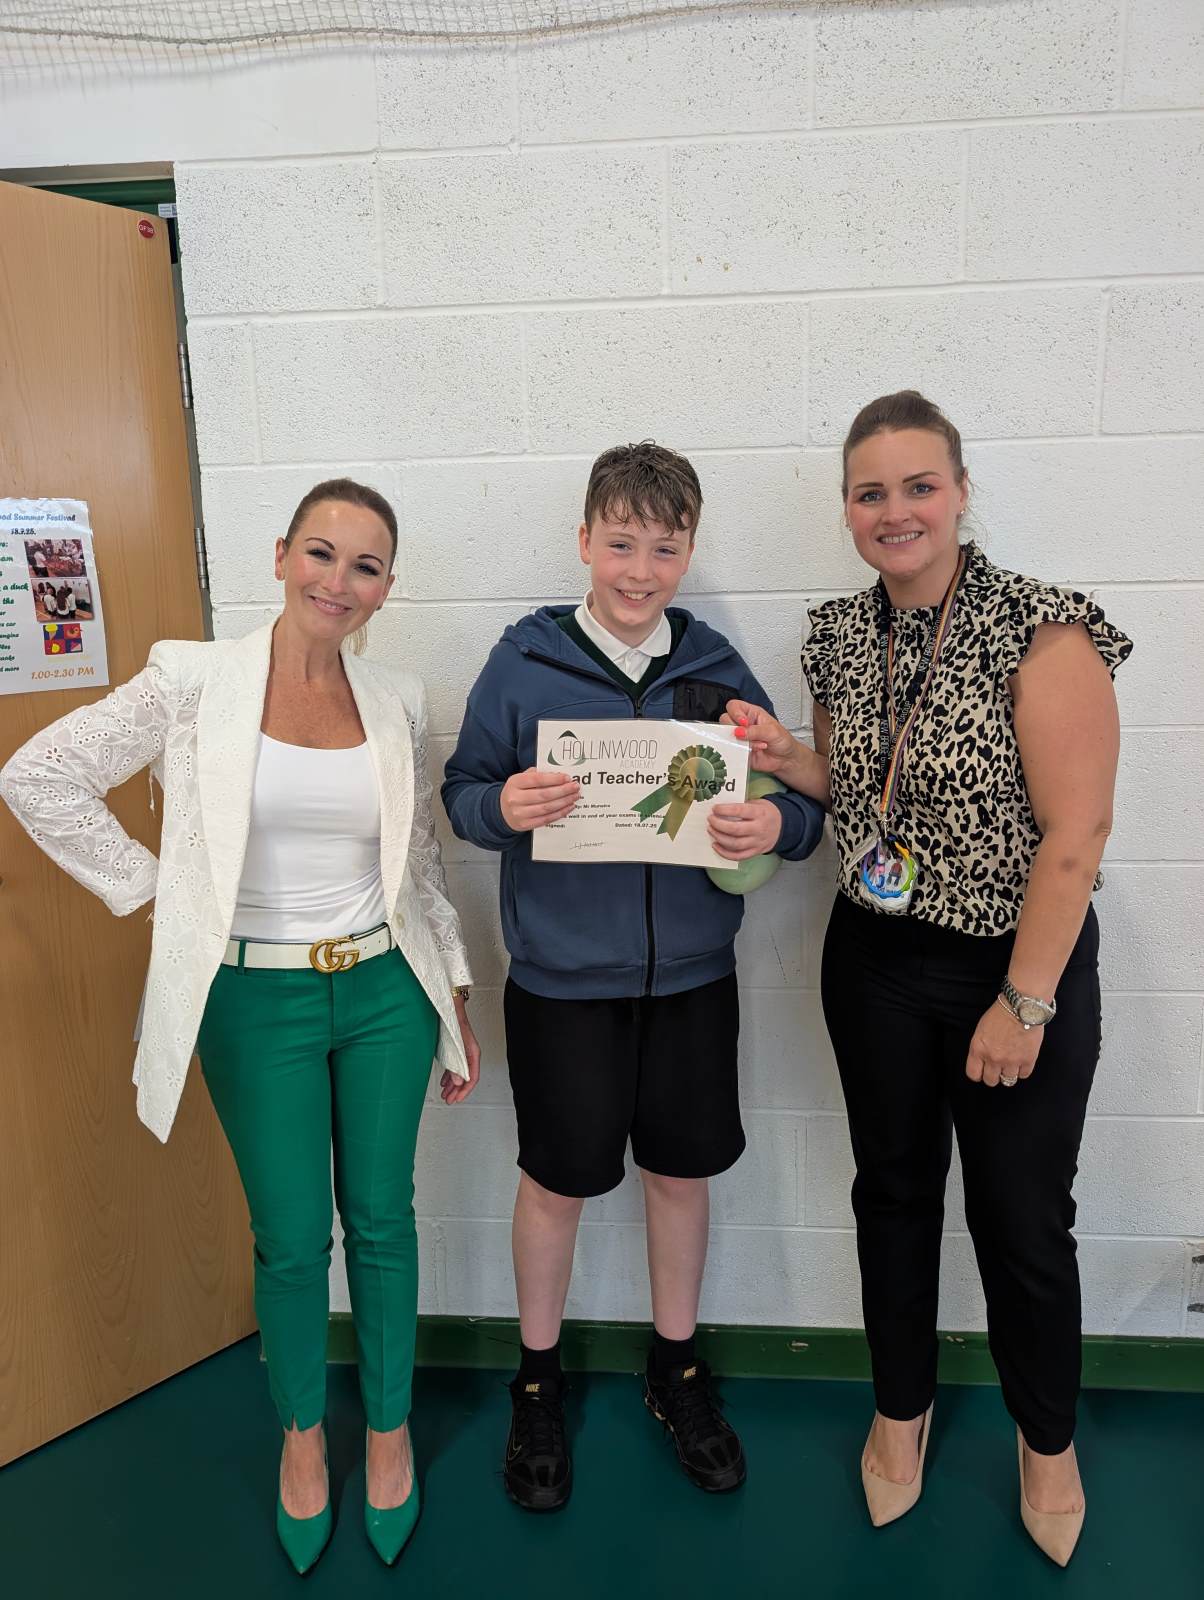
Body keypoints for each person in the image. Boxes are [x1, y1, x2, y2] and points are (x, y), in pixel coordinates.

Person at [1, 478, 481, 1575]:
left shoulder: (398, 697)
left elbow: (417, 863)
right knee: (291, 1235)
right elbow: (39, 774)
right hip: (252, 1001)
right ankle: (304, 1439)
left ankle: (391, 1429)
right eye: (321, 552)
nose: (338, 581)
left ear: (386, 588)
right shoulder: (192, 679)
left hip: (385, 992)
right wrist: (163, 895)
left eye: (365, 566)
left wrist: (452, 985)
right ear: (280, 555)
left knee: (383, 1219)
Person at [722, 391, 1130, 1566]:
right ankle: (899, 1412)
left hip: (1014, 964)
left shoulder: (1042, 631)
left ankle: (1045, 1442)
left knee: (1021, 1219)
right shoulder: (838, 634)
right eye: (870, 492)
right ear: (846, 508)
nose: (893, 510)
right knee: (891, 1195)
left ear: (958, 492)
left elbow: (1076, 835)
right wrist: (785, 757)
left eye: (917, 486)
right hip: (876, 960)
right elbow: (864, 787)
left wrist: (1024, 1001)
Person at [442, 441, 825, 1511]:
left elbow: (794, 803)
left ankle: (676, 1369)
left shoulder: (715, 665)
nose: (640, 570)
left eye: (663, 548)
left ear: (688, 551)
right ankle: (536, 1380)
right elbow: (462, 793)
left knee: (679, 1175)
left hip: (692, 981)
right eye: (621, 544)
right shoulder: (523, 661)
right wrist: (500, 807)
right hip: (562, 984)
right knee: (555, 1182)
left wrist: (778, 825)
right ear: (584, 541)